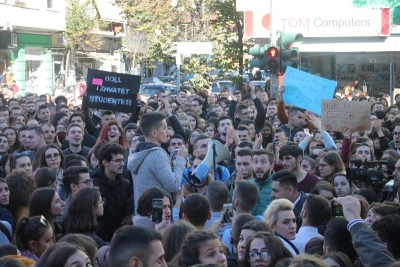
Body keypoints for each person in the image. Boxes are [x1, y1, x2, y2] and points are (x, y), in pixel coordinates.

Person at [128, 112, 188, 211]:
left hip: (143, 216)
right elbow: (173, 185)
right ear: (154, 133)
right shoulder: (157, 154)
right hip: (157, 219)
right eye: (164, 128)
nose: (167, 132)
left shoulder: (137, 152)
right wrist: (181, 159)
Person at [91, 142, 132, 242]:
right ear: (105, 163)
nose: (122, 164)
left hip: (123, 236)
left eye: (122, 160)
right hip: (103, 240)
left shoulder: (125, 183)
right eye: (118, 161)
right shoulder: (94, 185)